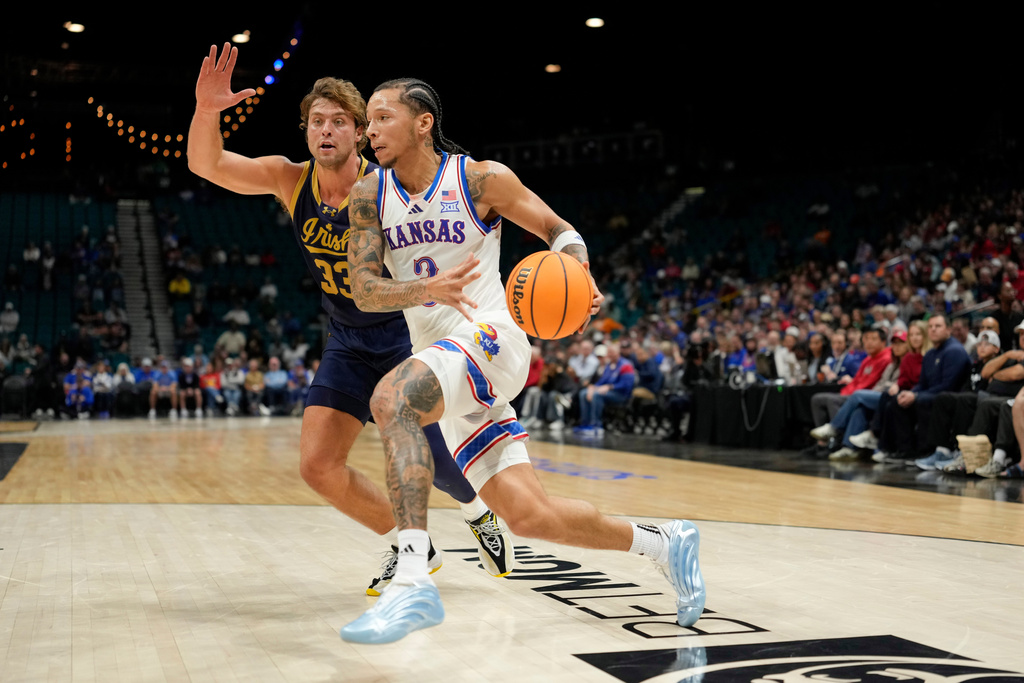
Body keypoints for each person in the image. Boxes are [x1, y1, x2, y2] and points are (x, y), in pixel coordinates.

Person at [340, 77, 704, 643]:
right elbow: (363, 289)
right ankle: (664, 542)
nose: (370, 131)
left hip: (492, 338)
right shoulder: (369, 194)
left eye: (382, 118)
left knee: (391, 399)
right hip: (443, 362)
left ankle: (412, 582)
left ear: (423, 123)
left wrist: (579, 272)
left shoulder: (480, 179)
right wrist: (425, 289)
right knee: (530, 516)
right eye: (368, 121)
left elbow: (559, 230)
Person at [186, 43, 508, 594]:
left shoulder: (383, 185)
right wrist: (206, 110)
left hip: (404, 335)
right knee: (317, 465)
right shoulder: (291, 180)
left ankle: (478, 510)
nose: (326, 130)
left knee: (441, 464)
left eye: (339, 121)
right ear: (306, 132)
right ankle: (410, 545)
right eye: (317, 121)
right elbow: (206, 163)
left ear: (361, 132)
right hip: (347, 340)